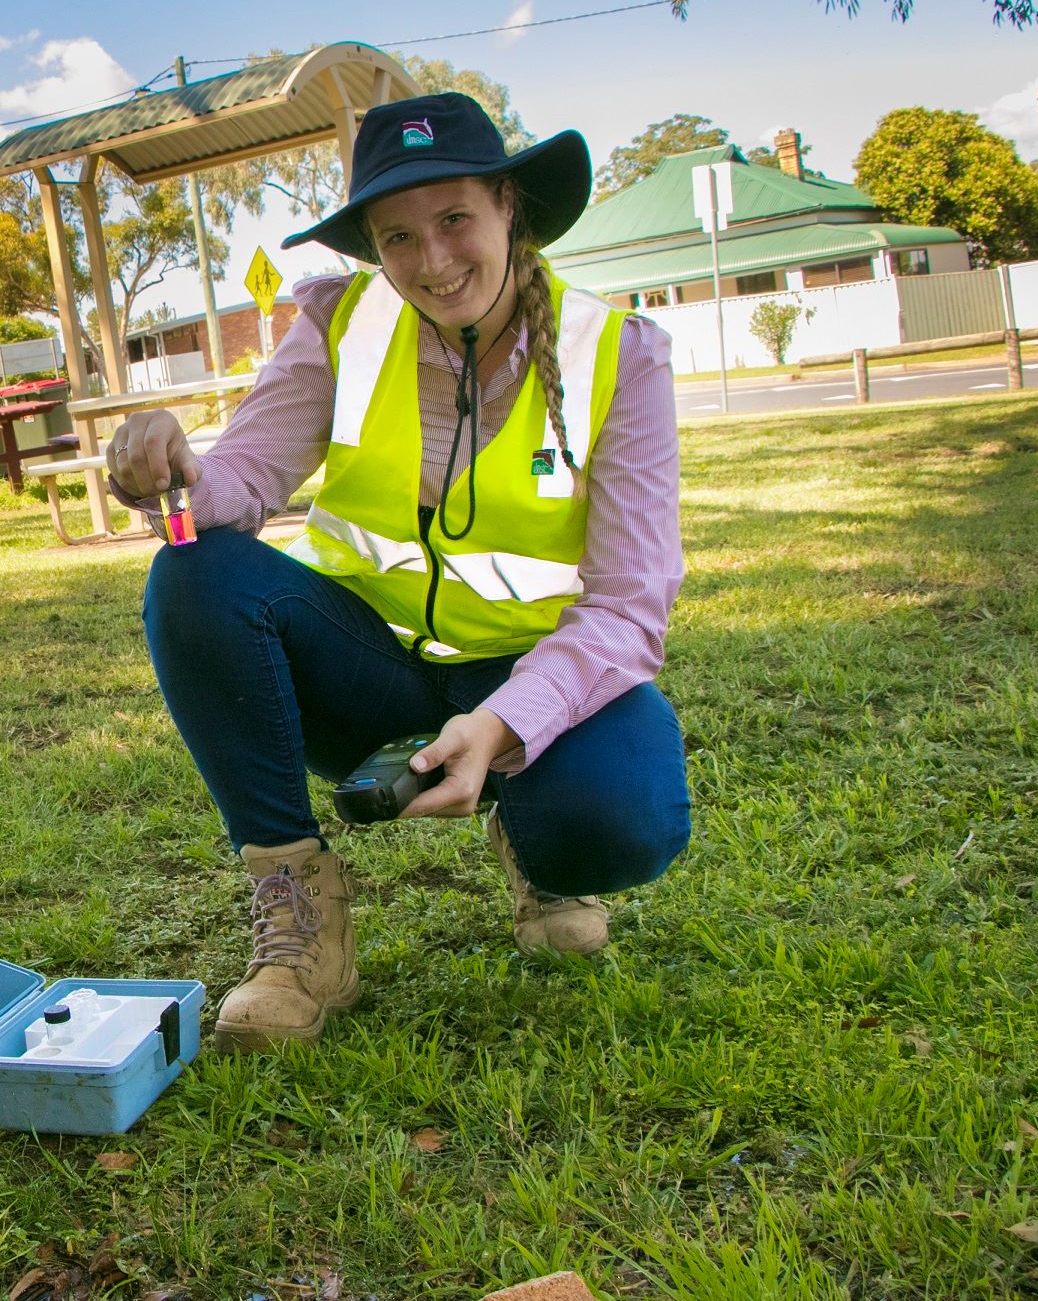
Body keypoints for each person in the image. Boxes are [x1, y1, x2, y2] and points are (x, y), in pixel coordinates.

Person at [110, 93, 689, 1052]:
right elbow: (243, 477)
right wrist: (174, 473)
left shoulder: (617, 355)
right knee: (192, 572)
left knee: (621, 818)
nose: (431, 261)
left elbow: (629, 609)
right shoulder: (341, 323)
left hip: (528, 686)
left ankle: (546, 857)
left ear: (511, 207)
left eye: (455, 218)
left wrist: (503, 722)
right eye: (396, 237)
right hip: (371, 674)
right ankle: (298, 919)